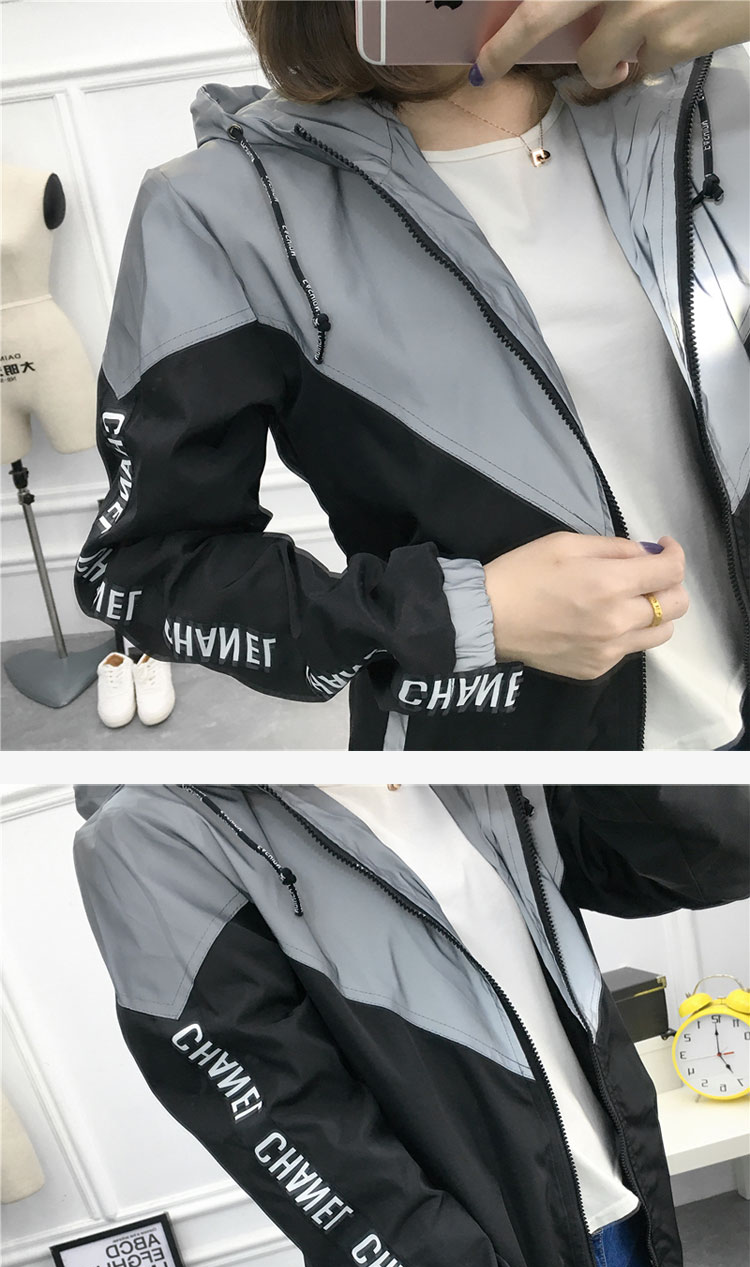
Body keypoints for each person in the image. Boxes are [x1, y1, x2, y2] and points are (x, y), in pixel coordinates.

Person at [73, 0, 749, 754]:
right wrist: (461, 616)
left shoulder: (708, 95)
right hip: (524, 784)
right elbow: (141, 569)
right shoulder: (223, 210)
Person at [73, 781, 749, 1267]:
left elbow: (678, 854)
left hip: (616, 1234)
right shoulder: (152, 837)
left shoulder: (463, 761)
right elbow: (330, 1171)